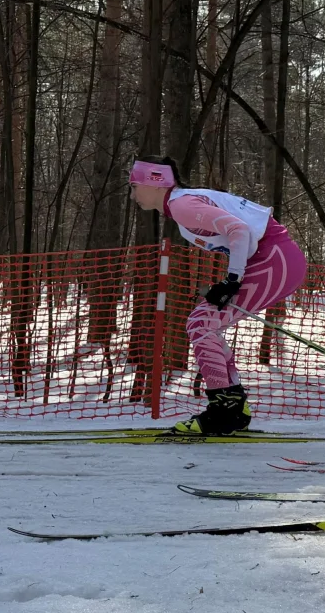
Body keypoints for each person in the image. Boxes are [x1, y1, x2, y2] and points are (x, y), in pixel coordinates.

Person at [129, 157, 308, 435]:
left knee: (202, 323)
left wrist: (232, 280)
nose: (133, 194)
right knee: (202, 323)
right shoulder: (181, 205)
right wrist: (232, 279)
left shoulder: (181, 205)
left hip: (275, 258)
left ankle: (223, 411)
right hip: (275, 258)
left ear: (154, 183)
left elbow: (239, 230)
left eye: (135, 185)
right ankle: (233, 408)